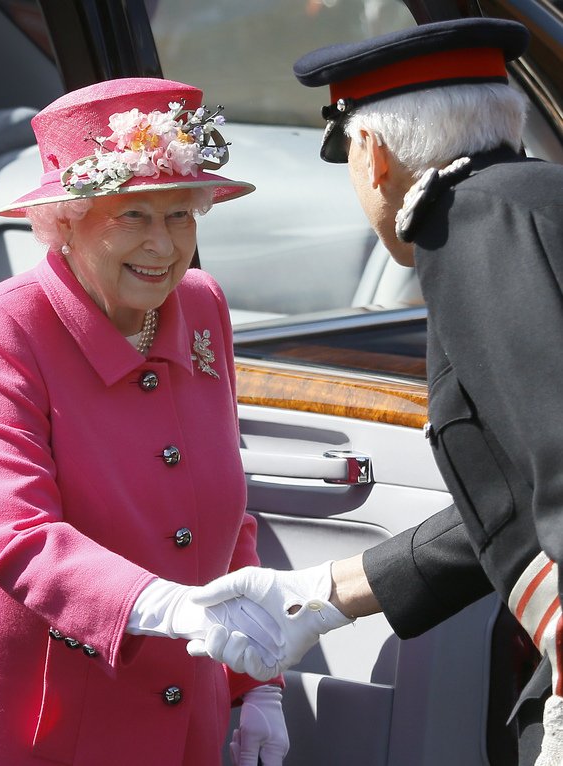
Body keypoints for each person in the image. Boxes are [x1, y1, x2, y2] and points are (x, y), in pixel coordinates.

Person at [187, 17, 563, 766]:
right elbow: (520, 495)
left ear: (371, 151)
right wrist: (330, 592)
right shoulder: (533, 199)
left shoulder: (472, 219)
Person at [0, 77, 290, 766]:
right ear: (64, 221)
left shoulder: (202, 306)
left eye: (180, 214)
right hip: (36, 712)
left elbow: (221, 515)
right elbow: (18, 535)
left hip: (179, 701)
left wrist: (255, 685)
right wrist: (172, 609)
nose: (163, 245)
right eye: (133, 215)